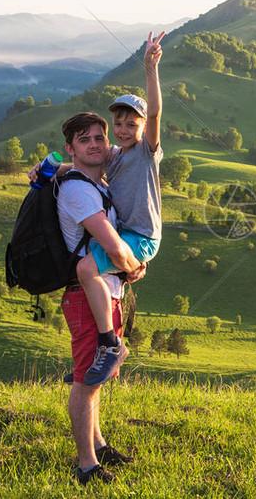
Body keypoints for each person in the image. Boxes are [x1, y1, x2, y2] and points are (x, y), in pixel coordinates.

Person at [32, 32, 166, 387]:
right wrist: (46, 170)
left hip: (141, 236)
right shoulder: (112, 157)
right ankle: (95, 350)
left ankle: (108, 344)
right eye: (118, 125)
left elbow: (154, 112)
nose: (123, 130)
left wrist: (151, 67)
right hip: (124, 235)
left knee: (87, 268)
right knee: (88, 269)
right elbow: (79, 158)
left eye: (131, 125)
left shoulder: (146, 152)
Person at [56, 111, 146, 484]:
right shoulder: (79, 190)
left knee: (99, 373)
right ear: (71, 148)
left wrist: (50, 167)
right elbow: (111, 243)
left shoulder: (98, 183)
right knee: (86, 379)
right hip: (84, 295)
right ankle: (87, 465)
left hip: (105, 292)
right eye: (84, 140)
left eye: (98, 138)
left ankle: (98, 442)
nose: (94, 145)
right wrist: (133, 264)